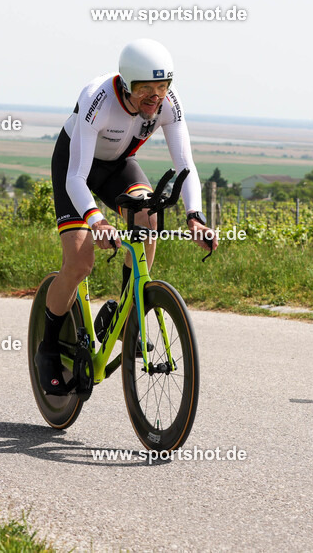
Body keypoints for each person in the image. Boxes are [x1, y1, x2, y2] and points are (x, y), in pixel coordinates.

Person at [35, 39, 218, 394]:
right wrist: (97, 221)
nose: (156, 98)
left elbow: (186, 166)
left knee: (148, 216)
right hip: (75, 168)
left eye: (162, 88)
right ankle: (48, 347)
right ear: (126, 84)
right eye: (146, 91)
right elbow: (76, 177)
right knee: (80, 262)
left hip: (118, 167)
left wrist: (194, 215)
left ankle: (122, 316)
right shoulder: (98, 99)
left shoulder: (169, 102)